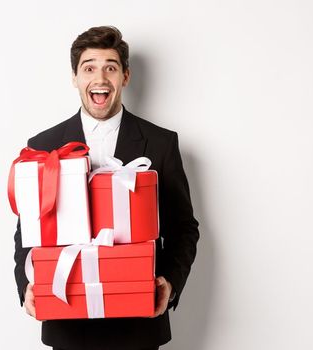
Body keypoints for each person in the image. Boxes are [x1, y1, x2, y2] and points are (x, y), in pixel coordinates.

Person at [13, 26, 200, 350]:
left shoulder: (160, 144)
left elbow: (184, 228)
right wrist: (28, 285)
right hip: (67, 320)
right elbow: (27, 233)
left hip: (137, 327)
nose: (100, 78)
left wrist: (168, 283)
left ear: (125, 76)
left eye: (110, 67)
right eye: (89, 68)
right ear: (75, 77)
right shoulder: (43, 145)